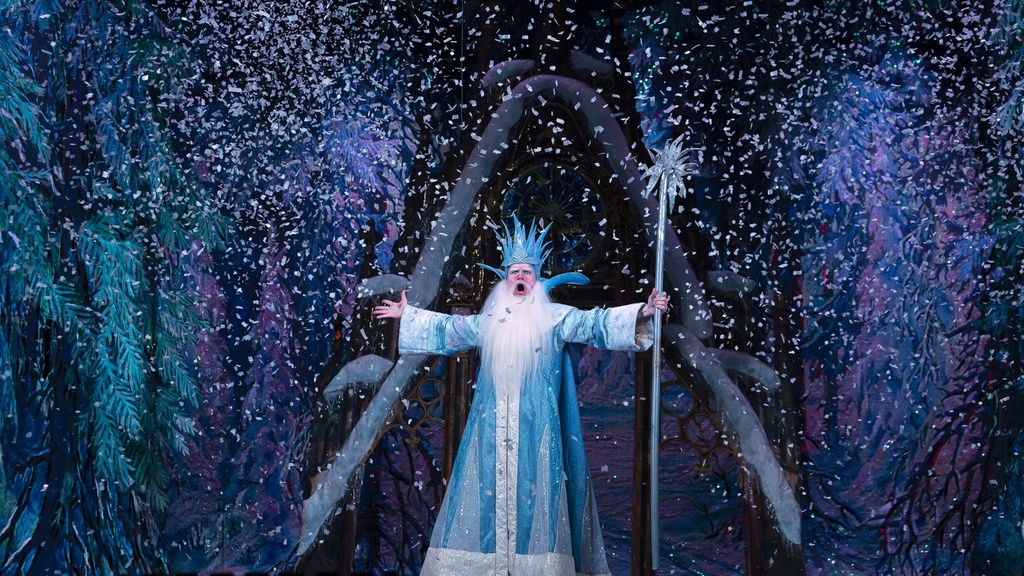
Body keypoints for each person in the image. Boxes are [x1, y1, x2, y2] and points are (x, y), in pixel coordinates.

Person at [373, 217, 668, 576]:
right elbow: (451, 329)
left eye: (527, 272)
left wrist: (643, 312)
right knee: (487, 492)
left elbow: (593, 324)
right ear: (505, 278)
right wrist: (408, 315)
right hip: (491, 430)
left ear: (537, 279)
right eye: (514, 272)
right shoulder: (490, 321)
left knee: (538, 496)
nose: (521, 278)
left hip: (537, 428)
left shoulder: (554, 318)